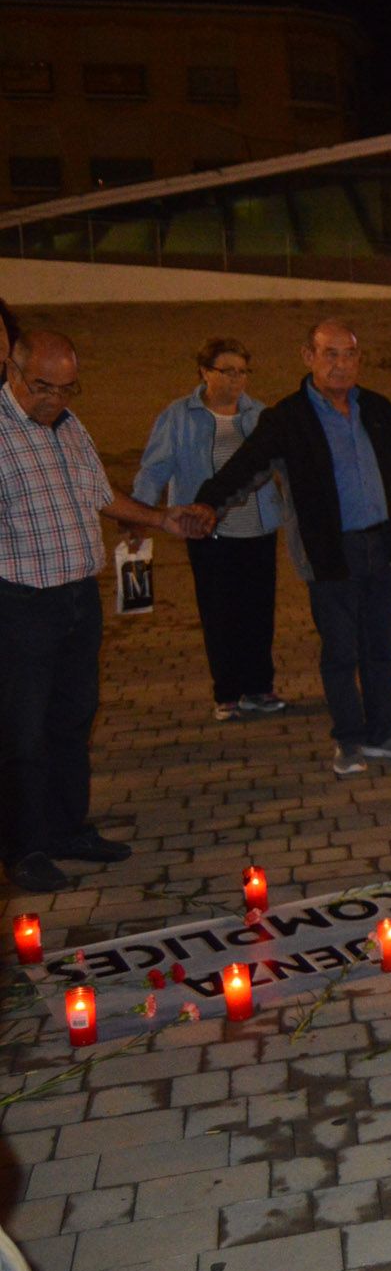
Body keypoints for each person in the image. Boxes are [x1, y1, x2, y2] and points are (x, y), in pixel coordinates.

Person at [187, 319, 391, 777]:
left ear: (359, 360)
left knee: (381, 649)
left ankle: (383, 733)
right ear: (309, 357)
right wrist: (208, 503)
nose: (340, 364)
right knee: (341, 652)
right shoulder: (287, 419)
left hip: (381, 546)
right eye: (330, 354)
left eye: (349, 355)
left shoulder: (375, 409)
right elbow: (245, 468)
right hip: (329, 554)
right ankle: (348, 740)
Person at [4, 331, 212, 892]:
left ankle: (68, 828)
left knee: (73, 720)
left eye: (68, 388)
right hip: (20, 604)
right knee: (21, 734)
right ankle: (23, 849)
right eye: (43, 387)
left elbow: (99, 493)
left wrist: (161, 519)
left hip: (77, 599)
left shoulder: (70, 426)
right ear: (15, 372)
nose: (55, 399)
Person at [134, 337, 288, 720]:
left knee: (258, 611)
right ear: (205, 372)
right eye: (227, 371)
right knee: (220, 613)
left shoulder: (259, 415)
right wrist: (138, 516)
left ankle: (259, 688)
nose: (237, 379)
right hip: (209, 533)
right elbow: (155, 468)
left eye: (242, 371)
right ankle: (228, 693)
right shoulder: (179, 416)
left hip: (259, 529)